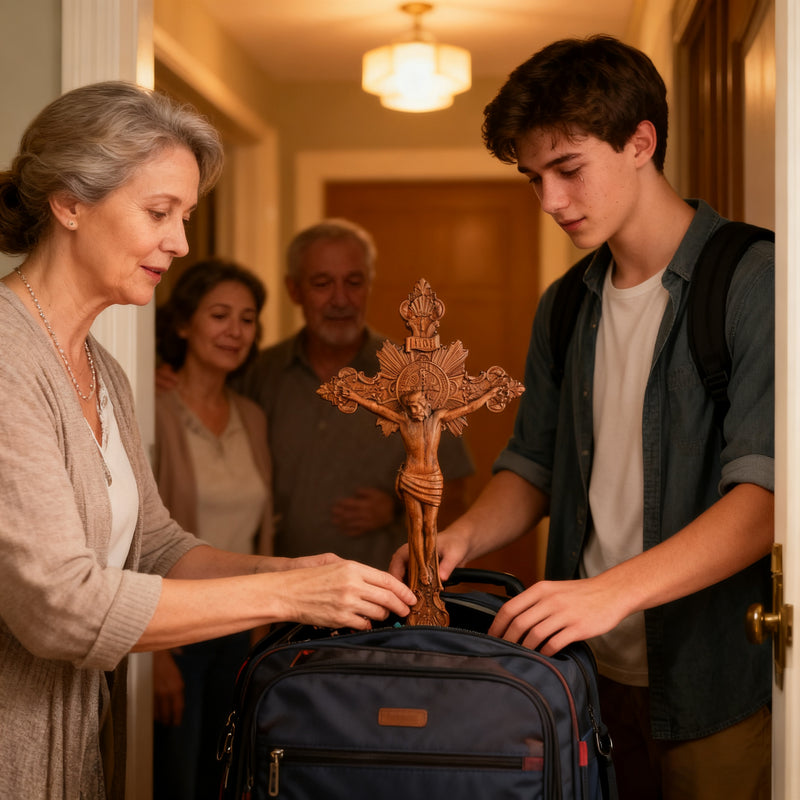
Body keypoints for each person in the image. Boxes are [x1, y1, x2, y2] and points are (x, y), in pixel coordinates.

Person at [0, 81, 415, 800]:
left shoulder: (104, 370)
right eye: (158, 212)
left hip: (79, 742)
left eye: (186, 216)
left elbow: (156, 547)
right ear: (69, 203)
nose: (181, 243)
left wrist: (286, 567)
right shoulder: (8, 355)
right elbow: (63, 608)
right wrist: (292, 593)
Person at [390, 35, 774, 800]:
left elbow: (768, 501)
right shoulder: (565, 304)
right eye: (534, 178)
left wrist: (609, 592)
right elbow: (532, 466)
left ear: (641, 142)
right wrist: (460, 538)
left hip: (714, 678)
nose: (551, 202)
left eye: (568, 170)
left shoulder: (754, 278)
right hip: (582, 673)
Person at [234, 218, 475, 569]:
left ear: (369, 286)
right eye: (322, 284)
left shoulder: (415, 377)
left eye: (354, 282)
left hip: (385, 591)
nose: (340, 299)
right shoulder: (257, 373)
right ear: (294, 290)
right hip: (277, 590)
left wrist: (398, 507)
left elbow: (455, 490)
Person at [151, 258, 274, 800]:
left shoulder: (253, 416)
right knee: (174, 779)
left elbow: (261, 531)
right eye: (219, 315)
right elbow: (140, 537)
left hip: (242, 626)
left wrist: (262, 623)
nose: (235, 331)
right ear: (183, 323)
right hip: (177, 630)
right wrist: (153, 654)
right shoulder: (153, 407)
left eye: (247, 319)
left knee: (226, 779)